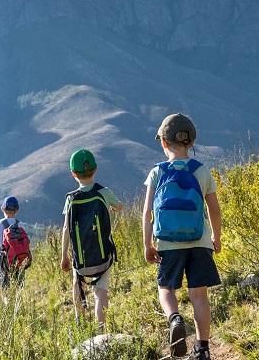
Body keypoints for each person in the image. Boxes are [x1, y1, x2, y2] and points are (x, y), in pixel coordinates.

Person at [142, 113, 222, 360]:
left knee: (165, 288)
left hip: (168, 243)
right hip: (199, 242)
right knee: (199, 295)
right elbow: (214, 210)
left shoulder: (157, 172)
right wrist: (216, 238)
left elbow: (147, 212)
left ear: (164, 143)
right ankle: (203, 349)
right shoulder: (201, 171)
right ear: (192, 143)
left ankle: (175, 318)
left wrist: (147, 244)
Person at [60, 148, 124, 333]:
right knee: (100, 292)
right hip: (105, 255)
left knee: (77, 284)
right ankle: (101, 330)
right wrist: (114, 209)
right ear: (95, 169)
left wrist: (64, 255)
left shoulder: (71, 198)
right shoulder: (104, 192)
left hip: (80, 258)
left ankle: (80, 321)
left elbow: (66, 228)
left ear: (73, 174)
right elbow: (119, 206)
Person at [0, 195, 29, 288]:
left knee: (5, 291)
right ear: (17, 210)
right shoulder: (20, 224)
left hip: (3, 263)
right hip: (18, 262)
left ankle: (7, 303)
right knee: (18, 289)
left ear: (2, 209)